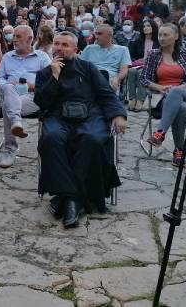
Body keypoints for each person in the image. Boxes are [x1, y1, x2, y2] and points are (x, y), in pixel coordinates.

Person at [35, 31, 127, 226]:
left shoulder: (88, 68)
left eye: (65, 45)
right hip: (58, 116)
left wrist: (118, 115)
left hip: (90, 115)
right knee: (51, 138)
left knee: (92, 139)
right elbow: (41, 102)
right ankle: (75, 199)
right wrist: (54, 77)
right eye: (56, 44)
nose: (59, 48)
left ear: (75, 50)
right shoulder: (45, 72)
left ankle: (67, 198)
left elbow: (106, 94)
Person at [0, 25, 51, 168]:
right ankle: (16, 122)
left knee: (8, 106)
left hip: (33, 96)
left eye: (18, 37)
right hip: (12, 93)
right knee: (8, 88)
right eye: (13, 36)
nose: (14, 40)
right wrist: (7, 84)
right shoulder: (8, 57)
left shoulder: (42, 57)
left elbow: (50, 81)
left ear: (30, 39)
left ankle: (10, 149)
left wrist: (31, 85)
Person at [140, 23, 186, 167]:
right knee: (181, 108)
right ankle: (179, 152)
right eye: (160, 35)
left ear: (176, 36)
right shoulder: (153, 54)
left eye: (166, 35)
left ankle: (160, 132)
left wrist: (178, 88)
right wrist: (160, 87)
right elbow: (144, 79)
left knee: (177, 93)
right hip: (162, 97)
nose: (162, 38)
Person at [81, 25, 131, 93]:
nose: (96, 37)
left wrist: (117, 78)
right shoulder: (89, 48)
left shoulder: (122, 50)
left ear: (110, 36)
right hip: (90, 77)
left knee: (105, 75)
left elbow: (124, 69)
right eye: (96, 33)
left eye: (100, 34)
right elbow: (80, 66)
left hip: (110, 79)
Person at [127, 20, 160, 112]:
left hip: (153, 67)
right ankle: (132, 98)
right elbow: (131, 57)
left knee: (142, 72)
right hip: (138, 65)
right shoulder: (138, 41)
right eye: (144, 26)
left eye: (148, 26)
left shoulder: (158, 41)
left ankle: (140, 100)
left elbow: (161, 57)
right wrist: (137, 61)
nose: (145, 28)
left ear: (153, 27)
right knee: (131, 71)